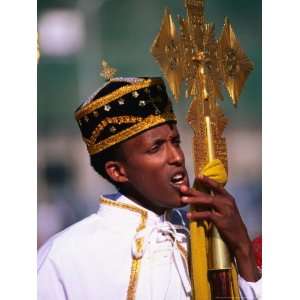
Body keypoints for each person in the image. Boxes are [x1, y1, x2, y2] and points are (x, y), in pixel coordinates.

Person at [38, 76, 261, 299]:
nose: (177, 157)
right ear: (117, 171)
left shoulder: (207, 234)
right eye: (156, 148)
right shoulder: (64, 257)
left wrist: (242, 248)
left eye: (175, 142)